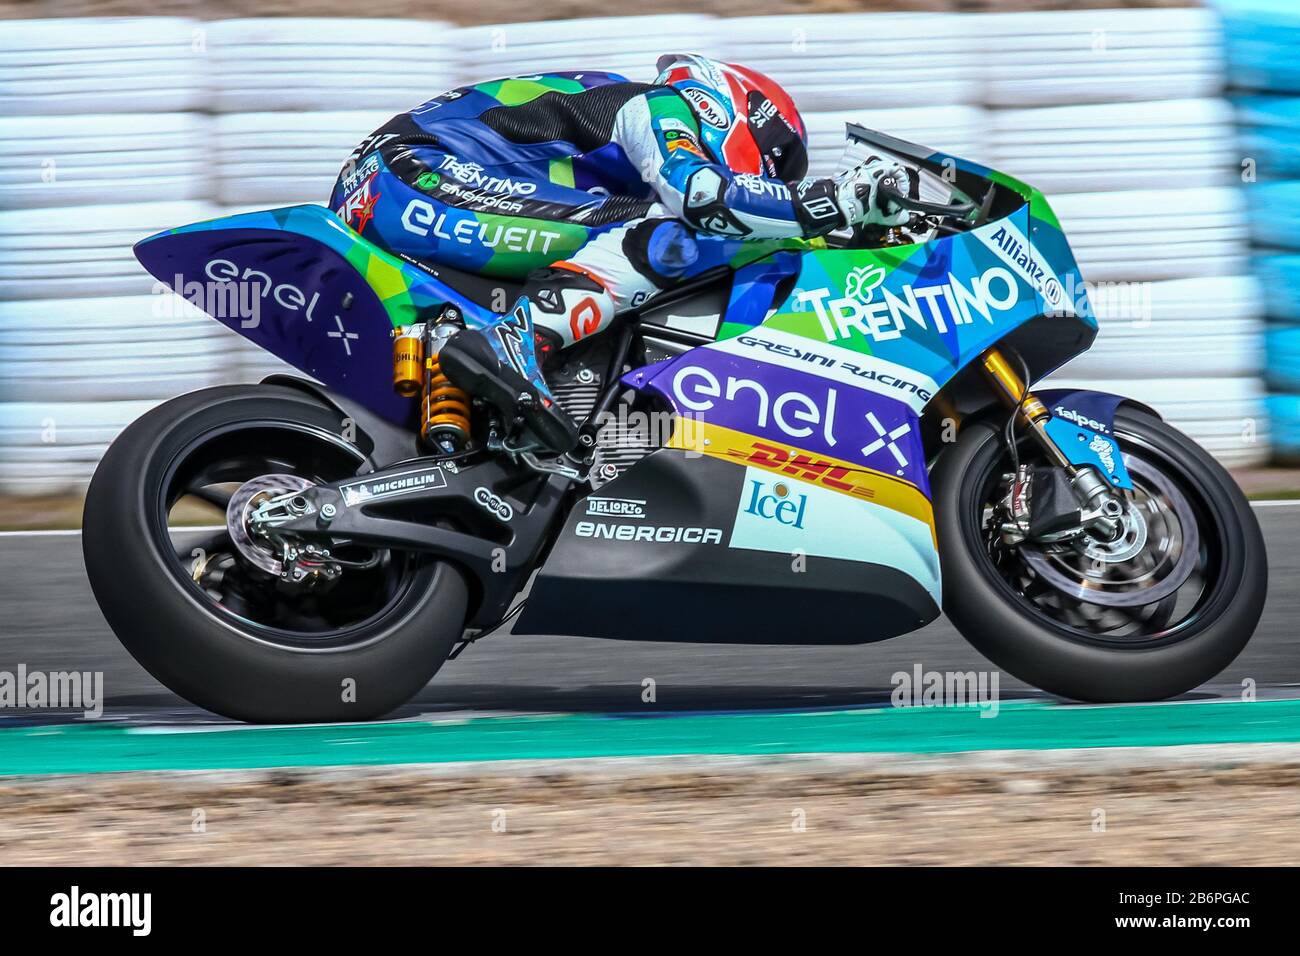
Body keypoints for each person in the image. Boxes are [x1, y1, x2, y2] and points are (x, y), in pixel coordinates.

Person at [330, 53, 913, 453]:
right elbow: (701, 195)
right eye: (778, 162)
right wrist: (835, 201)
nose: (772, 179)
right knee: (685, 234)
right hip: (411, 173)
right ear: (739, 112)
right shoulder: (663, 106)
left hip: (418, 182)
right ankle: (516, 340)